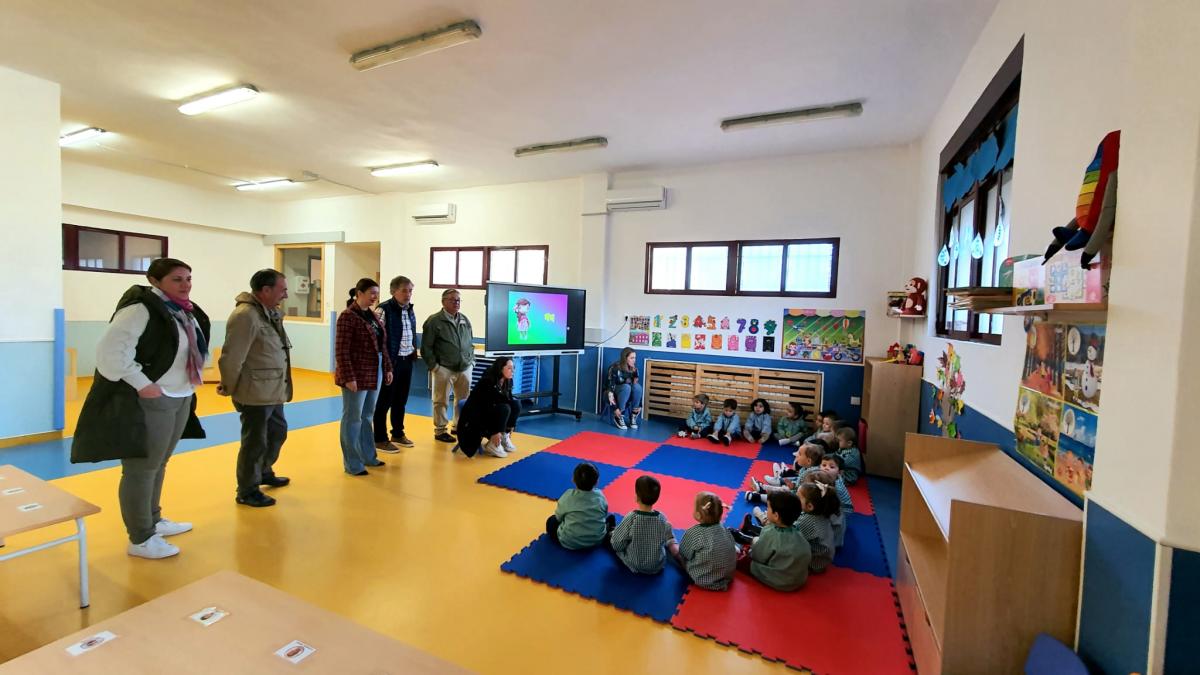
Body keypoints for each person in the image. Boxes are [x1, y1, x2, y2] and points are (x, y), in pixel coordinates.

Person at [72, 258, 209, 560]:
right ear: (155, 280)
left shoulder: (182, 311)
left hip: (180, 394)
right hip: (152, 398)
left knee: (159, 463)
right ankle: (140, 537)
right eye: (177, 279)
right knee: (141, 468)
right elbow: (110, 352)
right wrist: (142, 383)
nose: (185, 284)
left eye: (188, 278)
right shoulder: (140, 309)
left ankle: (153, 519)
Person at [217, 269, 293, 508]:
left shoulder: (270, 313)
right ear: (266, 290)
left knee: (277, 431)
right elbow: (232, 356)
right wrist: (229, 386)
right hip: (254, 392)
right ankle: (247, 489)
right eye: (282, 289)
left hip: (273, 389)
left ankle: (263, 471)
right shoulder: (245, 316)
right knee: (254, 442)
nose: (286, 294)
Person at [335, 278, 393, 476]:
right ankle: (352, 463)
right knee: (353, 418)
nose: (375, 297)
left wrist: (387, 368)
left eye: (377, 293)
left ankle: (368, 456)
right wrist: (348, 377)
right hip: (356, 373)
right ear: (359, 293)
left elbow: (381, 345)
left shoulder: (373, 316)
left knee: (368, 416)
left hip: (374, 369)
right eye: (371, 293)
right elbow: (342, 351)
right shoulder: (347, 316)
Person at [729, 491, 811, 591]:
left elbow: (758, 556)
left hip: (781, 580)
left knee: (742, 562)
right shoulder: (797, 530)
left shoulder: (771, 534)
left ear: (776, 516)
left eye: (768, 508)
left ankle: (742, 537)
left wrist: (749, 552)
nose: (766, 510)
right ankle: (749, 530)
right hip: (799, 578)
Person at [422, 289, 474, 444]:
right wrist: (434, 367)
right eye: (452, 299)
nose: (456, 302)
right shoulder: (434, 321)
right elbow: (426, 347)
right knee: (441, 400)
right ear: (443, 301)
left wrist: (472, 361)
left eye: (458, 300)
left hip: (465, 367)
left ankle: (458, 425)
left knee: (463, 399)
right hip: (443, 368)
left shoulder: (464, 320)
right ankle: (440, 430)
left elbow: (469, 342)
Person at [373, 275, 419, 451]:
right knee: (384, 401)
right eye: (404, 290)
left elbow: (410, 333)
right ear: (393, 291)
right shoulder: (383, 309)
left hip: (407, 359)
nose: (408, 294)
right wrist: (386, 363)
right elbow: (378, 338)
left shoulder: (409, 309)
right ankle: (380, 438)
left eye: (410, 291)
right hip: (391, 362)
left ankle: (398, 433)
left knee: (401, 399)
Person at [453, 357, 521, 458]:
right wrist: (495, 431)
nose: (513, 371)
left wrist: (509, 427)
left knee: (516, 404)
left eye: (513, 368)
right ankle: (494, 444)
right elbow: (484, 408)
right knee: (504, 408)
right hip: (477, 417)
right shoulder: (488, 381)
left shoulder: (507, 381)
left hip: (490, 416)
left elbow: (507, 400)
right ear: (500, 368)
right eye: (509, 368)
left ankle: (503, 437)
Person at [608, 475, 677, 574]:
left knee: (612, 539)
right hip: (656, 565)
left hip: (634, 563)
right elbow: (665, 538)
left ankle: (612, 530)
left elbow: (617, 545)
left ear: (636, 497)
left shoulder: (632, 517)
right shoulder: (662, 518)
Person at [673, 492, 737, 591]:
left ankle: (670, 541)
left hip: (704, 579)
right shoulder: (723, 528)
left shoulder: (694, 532)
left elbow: (683, 553)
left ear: (698, 515)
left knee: (675, 552)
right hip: (728, 575)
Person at [546, 462, 615, 549]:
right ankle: (610, 531)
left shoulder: (568, 496)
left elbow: (559, 517)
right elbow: (604, 513)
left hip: (569, 541)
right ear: (597, 482)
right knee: (609, 517)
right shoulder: (600, 496)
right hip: (597, 539)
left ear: (573, 480)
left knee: (551, 521)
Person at [606, 347, 642, 429]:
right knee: (626, 387)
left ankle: (633, 415)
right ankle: (619, 415)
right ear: (625, 358)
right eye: (632, 358)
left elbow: (637, 389)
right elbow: (609, 390)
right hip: (612, 393)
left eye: (635, 358)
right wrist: (615, 408)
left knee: (637, 387)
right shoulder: (615, 368)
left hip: (627, 393)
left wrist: (639, 405)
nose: (634, 360)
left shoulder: (634, 370)